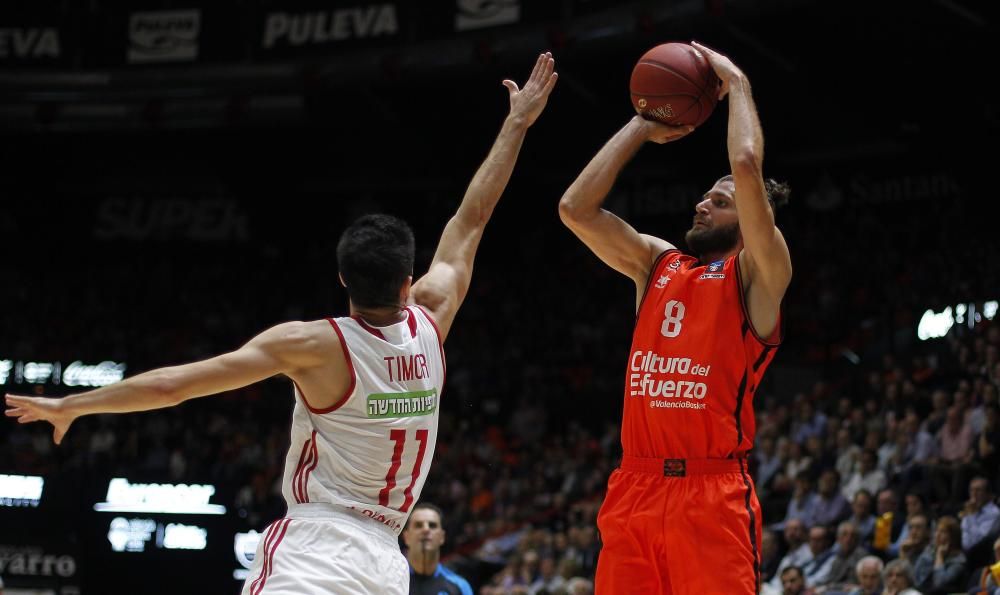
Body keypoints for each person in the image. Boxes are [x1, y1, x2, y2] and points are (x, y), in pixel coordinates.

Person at [4, 53, 559, 595]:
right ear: (409, 281)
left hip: (314, 548)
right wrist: (516, 124)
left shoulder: (313, 344)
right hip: (386, 563)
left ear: (342, 279)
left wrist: (73, 404)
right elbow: (473, 217)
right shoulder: (433, 318)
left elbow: (175, 385)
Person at [558, 40, 791, 594]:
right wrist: (642, 125)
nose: (702, 204)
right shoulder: (657, 265)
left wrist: (737, 84)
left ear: (755, 217)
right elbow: (575, 209)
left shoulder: (759, 273)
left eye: (720, 201)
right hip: (634, 486)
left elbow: (745, 163)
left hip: (710, 494)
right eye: (705, 197)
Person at [402, 502, 473, 595]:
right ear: (406, 537)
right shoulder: (390, 580)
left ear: (442, 537)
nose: (426, 529)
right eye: (418, 525)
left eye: (432, 525)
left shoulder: (460, 587)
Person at [913, 515, 967, 594]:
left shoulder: (958, 560)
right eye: (937, 531)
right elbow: (917, 576)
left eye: (943, 532)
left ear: (953, 537)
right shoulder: (930, 550)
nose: (937, 535)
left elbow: (939, 583)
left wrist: (939, 556)